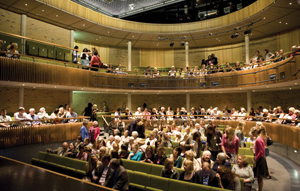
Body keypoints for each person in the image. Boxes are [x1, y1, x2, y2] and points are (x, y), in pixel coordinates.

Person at [254, 126, 268, 191]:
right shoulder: (260, 139)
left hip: (260, 160)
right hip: (261, 159)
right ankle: (260, 189)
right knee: (259, 178)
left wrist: (255, 159)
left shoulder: (258, 139)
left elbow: (261, 152)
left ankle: (260, 189)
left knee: (259, 177)